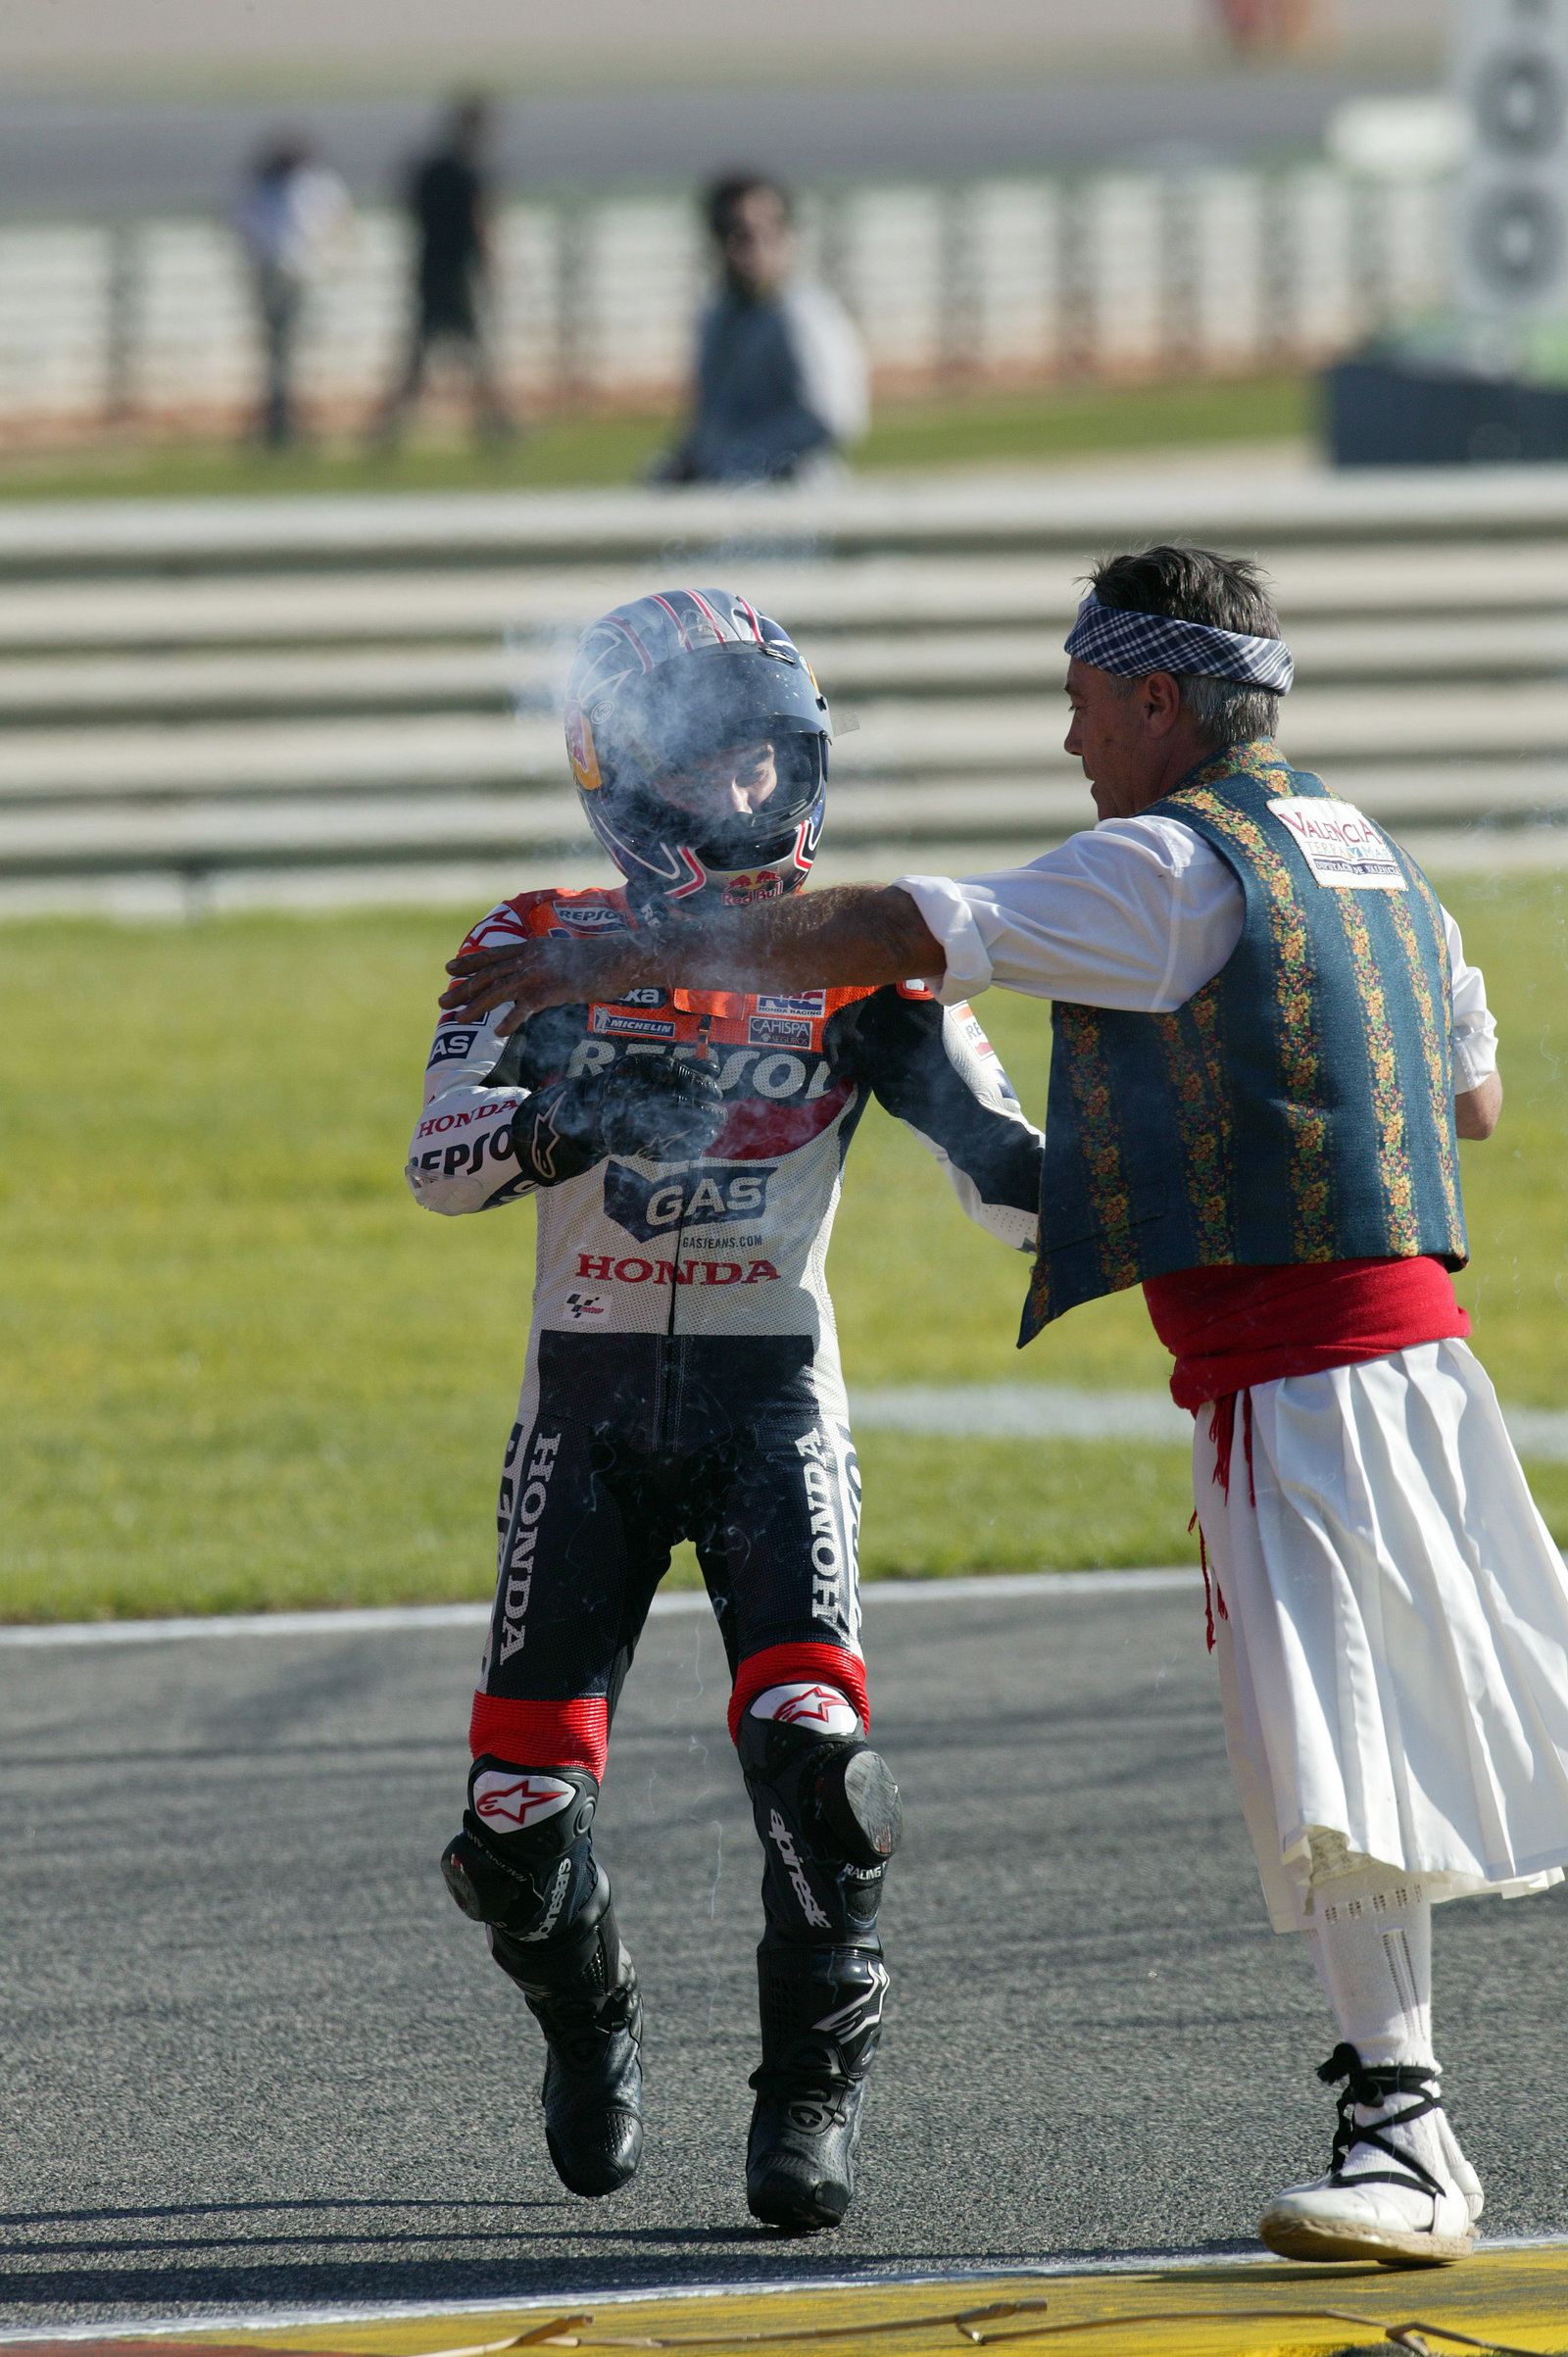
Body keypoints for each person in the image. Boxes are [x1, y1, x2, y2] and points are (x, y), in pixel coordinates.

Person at [439, 543, 1568, 2272]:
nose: (1070, 741)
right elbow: (1468, 1098)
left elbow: (901, 933)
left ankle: (1405, 2133)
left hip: (1303, 1371)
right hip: (1409, 1361)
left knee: (1335, 1758)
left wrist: (647, 955)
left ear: (1159, 700)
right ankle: (1401, 2120)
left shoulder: (1164, 862)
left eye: (1084, 702)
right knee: (1386, 1742)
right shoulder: (1367, 853)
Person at [411, 587, 1042, 2231]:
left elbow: (1017, 1187)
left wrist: (1082, 1156)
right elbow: (438, 1164)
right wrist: (570, 1118)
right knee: (515, 1827)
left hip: (776, 1407)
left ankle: (811, 2097)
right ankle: (591, 2028)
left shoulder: (858, 957)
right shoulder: (534, 940)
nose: (753, 794)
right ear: (622, 779)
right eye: (713, 765)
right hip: (586, 1409)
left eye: (773, 760)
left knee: (822, 1768)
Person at [654, 174, 868, 487]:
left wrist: (740, 462)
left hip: (796, 501)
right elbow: (714, 419)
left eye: (767, 230)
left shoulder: (804, 314)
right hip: (729, 500)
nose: (753, 247)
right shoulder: (718, 318)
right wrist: (687, 464)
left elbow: (830, 417)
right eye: (735, 232)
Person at [373, 96, 514, 449]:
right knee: (472, 356)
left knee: (421, 358)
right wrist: (491, 267)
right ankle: (496, 427)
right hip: (456, 274)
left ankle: (387, 432)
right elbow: (478, 222)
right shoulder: (468, 170)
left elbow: (408, 205)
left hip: (429, 269)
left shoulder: (430, 168)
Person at [233, 134, 352, 448]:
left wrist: (328, 264)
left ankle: (298, 418)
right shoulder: (263, 187)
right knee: (279, 351)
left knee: (300, 350)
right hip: (273, 276)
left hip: (304, 276)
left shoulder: (315, 185)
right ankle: (280, 418)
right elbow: (248, 229)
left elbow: (335, 224)